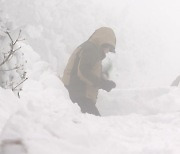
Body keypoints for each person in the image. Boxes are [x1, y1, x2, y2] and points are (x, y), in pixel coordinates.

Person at [62, 27, 116, 116]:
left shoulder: (91, 49)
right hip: (79, 95)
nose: (107, 52)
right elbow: (83, 71)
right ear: (104, 43)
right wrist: (102, 83)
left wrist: (103, 78)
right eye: (108, 48)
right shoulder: (91, 49)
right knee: (97, 125)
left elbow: (88, 70)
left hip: (77, 93)